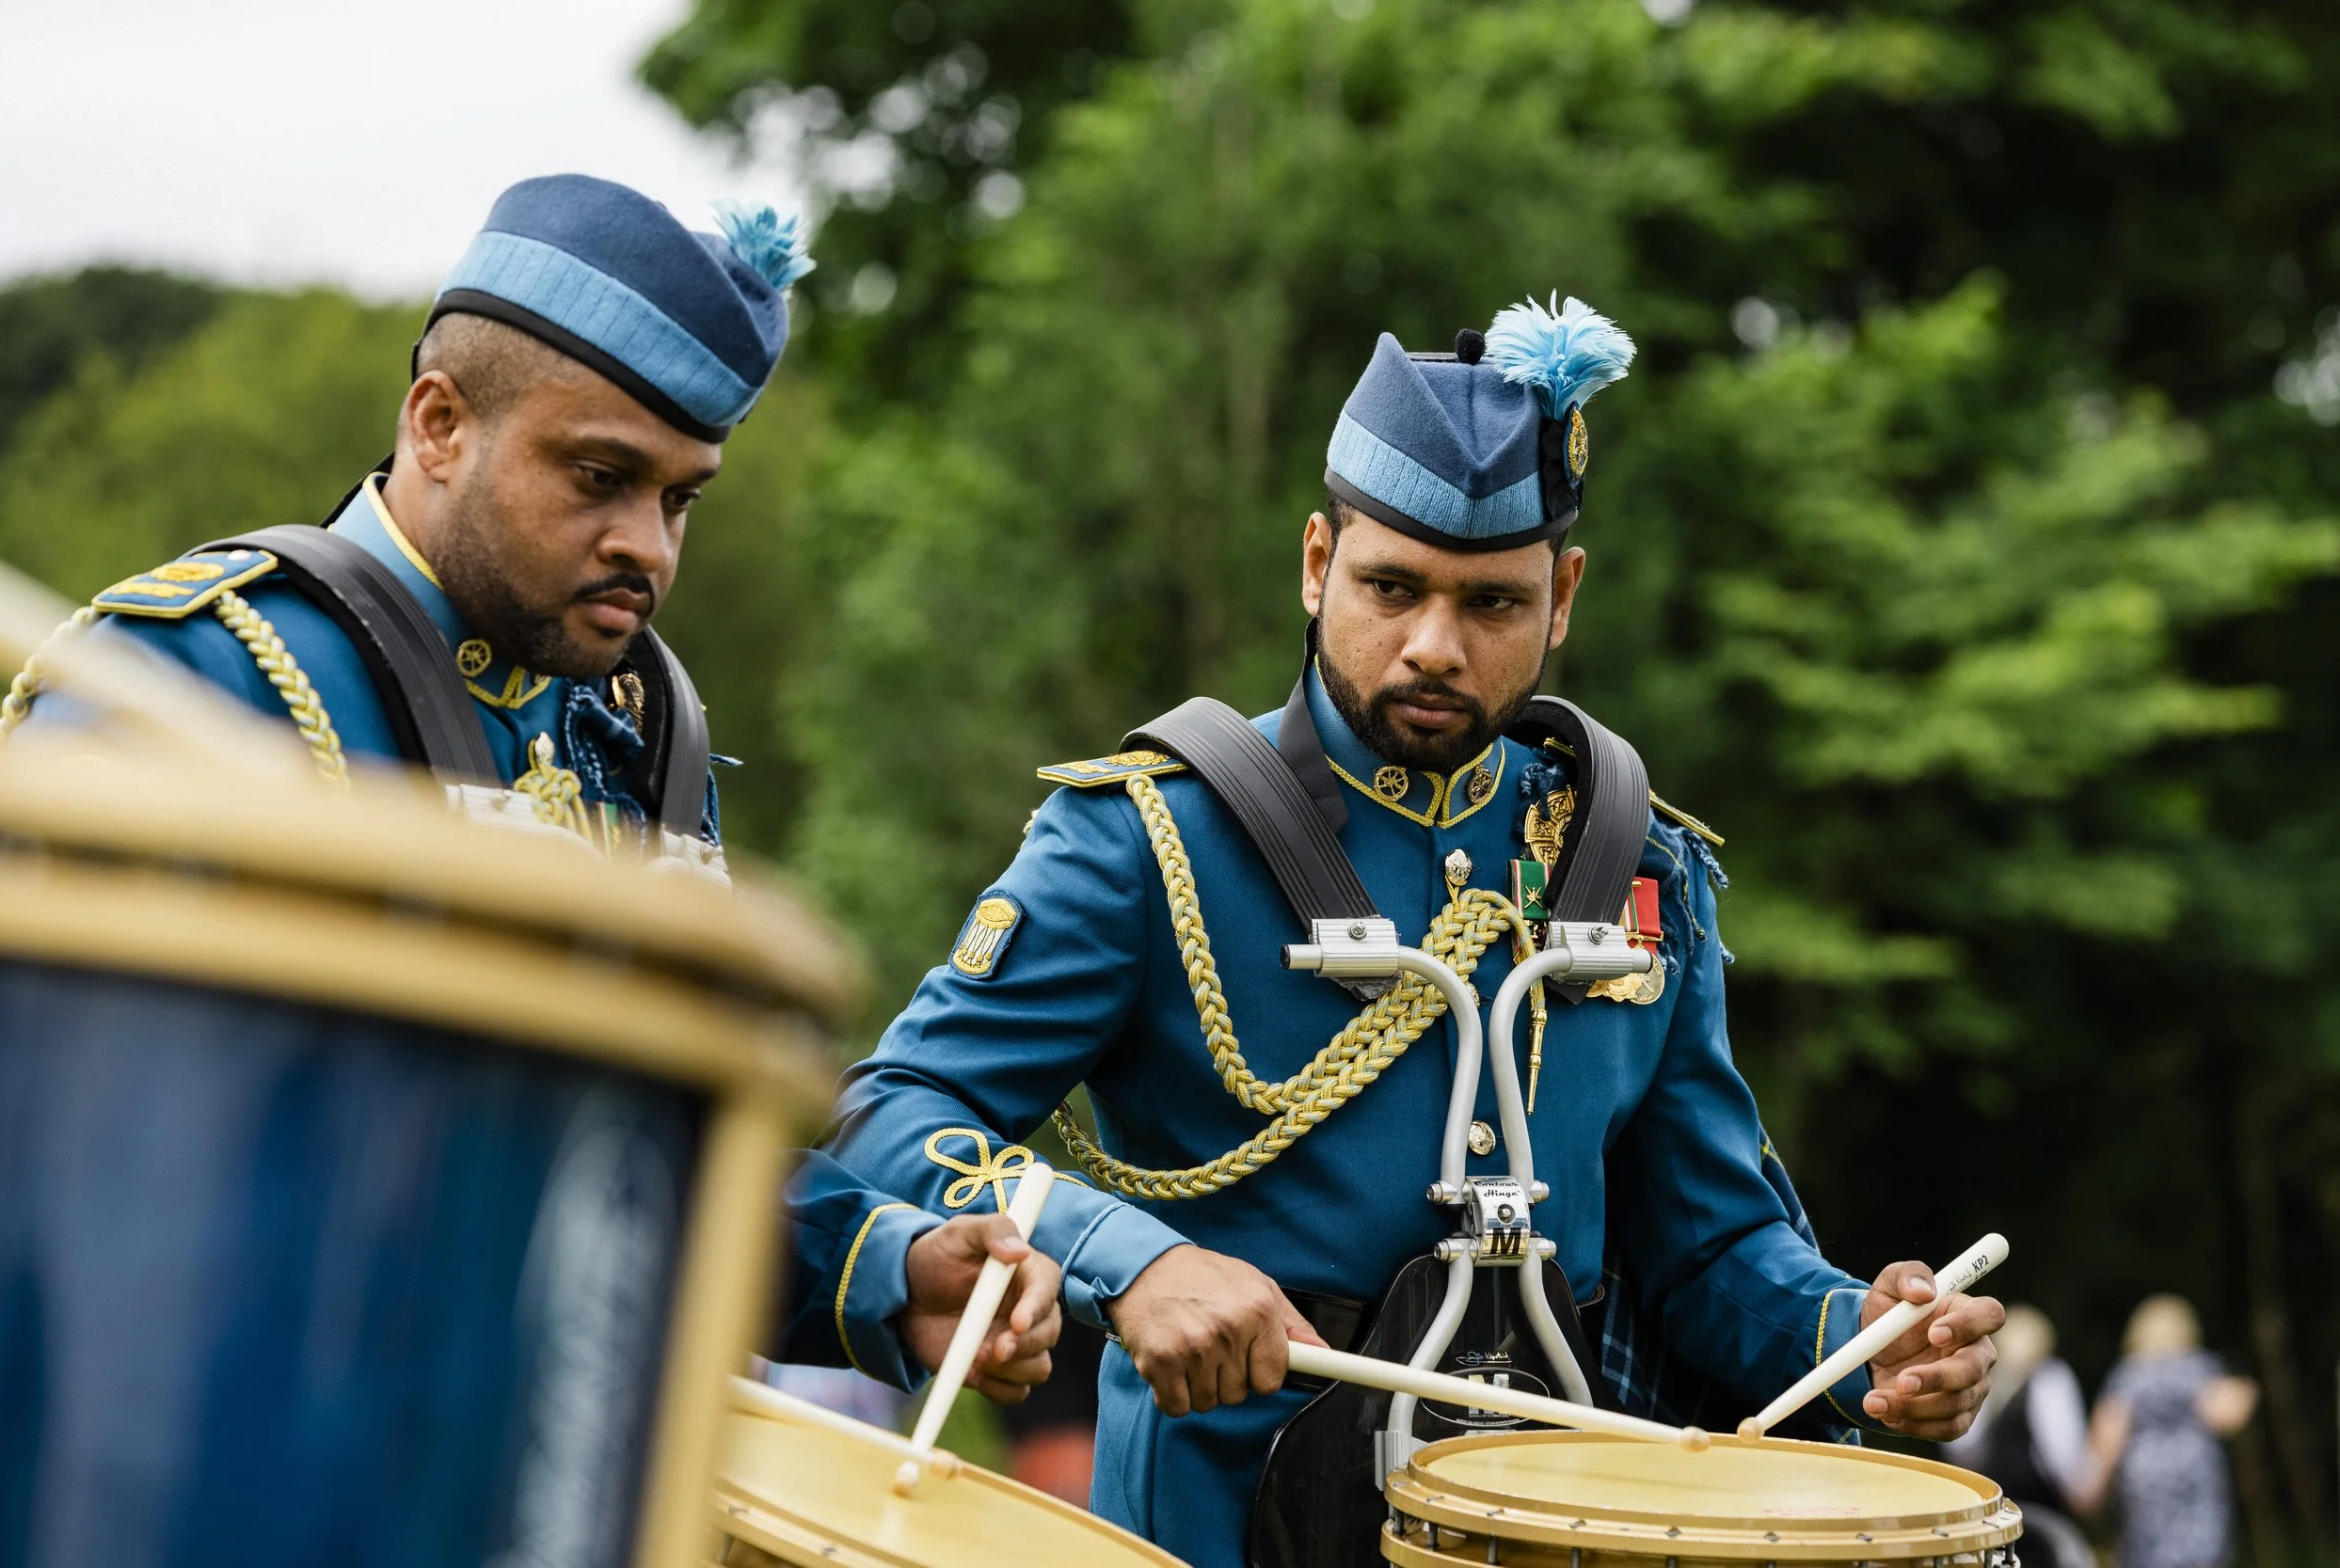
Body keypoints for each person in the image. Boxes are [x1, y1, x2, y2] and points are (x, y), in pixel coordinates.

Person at [823, 293, 2003, 1564]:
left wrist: (1864, 1339)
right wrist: (1127, 1258)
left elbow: (1708, 1241)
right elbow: (889, 1114)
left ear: (1563, 598)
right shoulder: (1148, 838)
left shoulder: (1635, 862)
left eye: (1492, 603)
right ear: (1318, 561)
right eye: (1393, 586)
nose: (1434, 644)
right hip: (1218, 1526)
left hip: (1551, 1523)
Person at [0, 173, 1059, 1405]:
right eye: (599, 477)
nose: (648, 549)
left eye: (679, 497)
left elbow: (639, 1149)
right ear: (439, 424)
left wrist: (887, 1263)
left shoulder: (640, 726)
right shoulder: (206, 671)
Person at [2087, 1294, 2258, 1568]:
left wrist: (2092, 1491)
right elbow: (2228, 1415)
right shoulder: (2198, 1367)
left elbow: (2108, 1434)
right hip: (2196, 1490)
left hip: (2146, 1490)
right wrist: (2248, 1387)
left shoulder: (2129, 1374)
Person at [1945, 1305, 2098, 1568]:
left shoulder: (1988, 1377)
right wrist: (2078, 1491)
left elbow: (1964, 1446)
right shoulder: (2052, 1379)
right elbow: (2061, 1448)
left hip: (1994, 1503)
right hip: (2042, 1506)